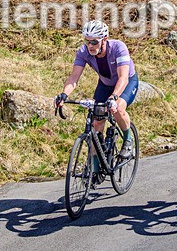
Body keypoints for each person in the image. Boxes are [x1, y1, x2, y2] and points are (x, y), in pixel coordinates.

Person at [55, 20, 138, 158]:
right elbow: (74, 77)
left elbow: (123, 77)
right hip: (105, 84)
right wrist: (63, 95)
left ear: (104, 39)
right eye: (87, 41)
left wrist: (114, 97)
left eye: (94, 42)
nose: (90, 46)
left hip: (127, 82)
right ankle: (94, 167)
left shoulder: (118, 48)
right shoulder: (83, 52)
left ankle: (128, 141)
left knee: (118, 108)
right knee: (97, 121)